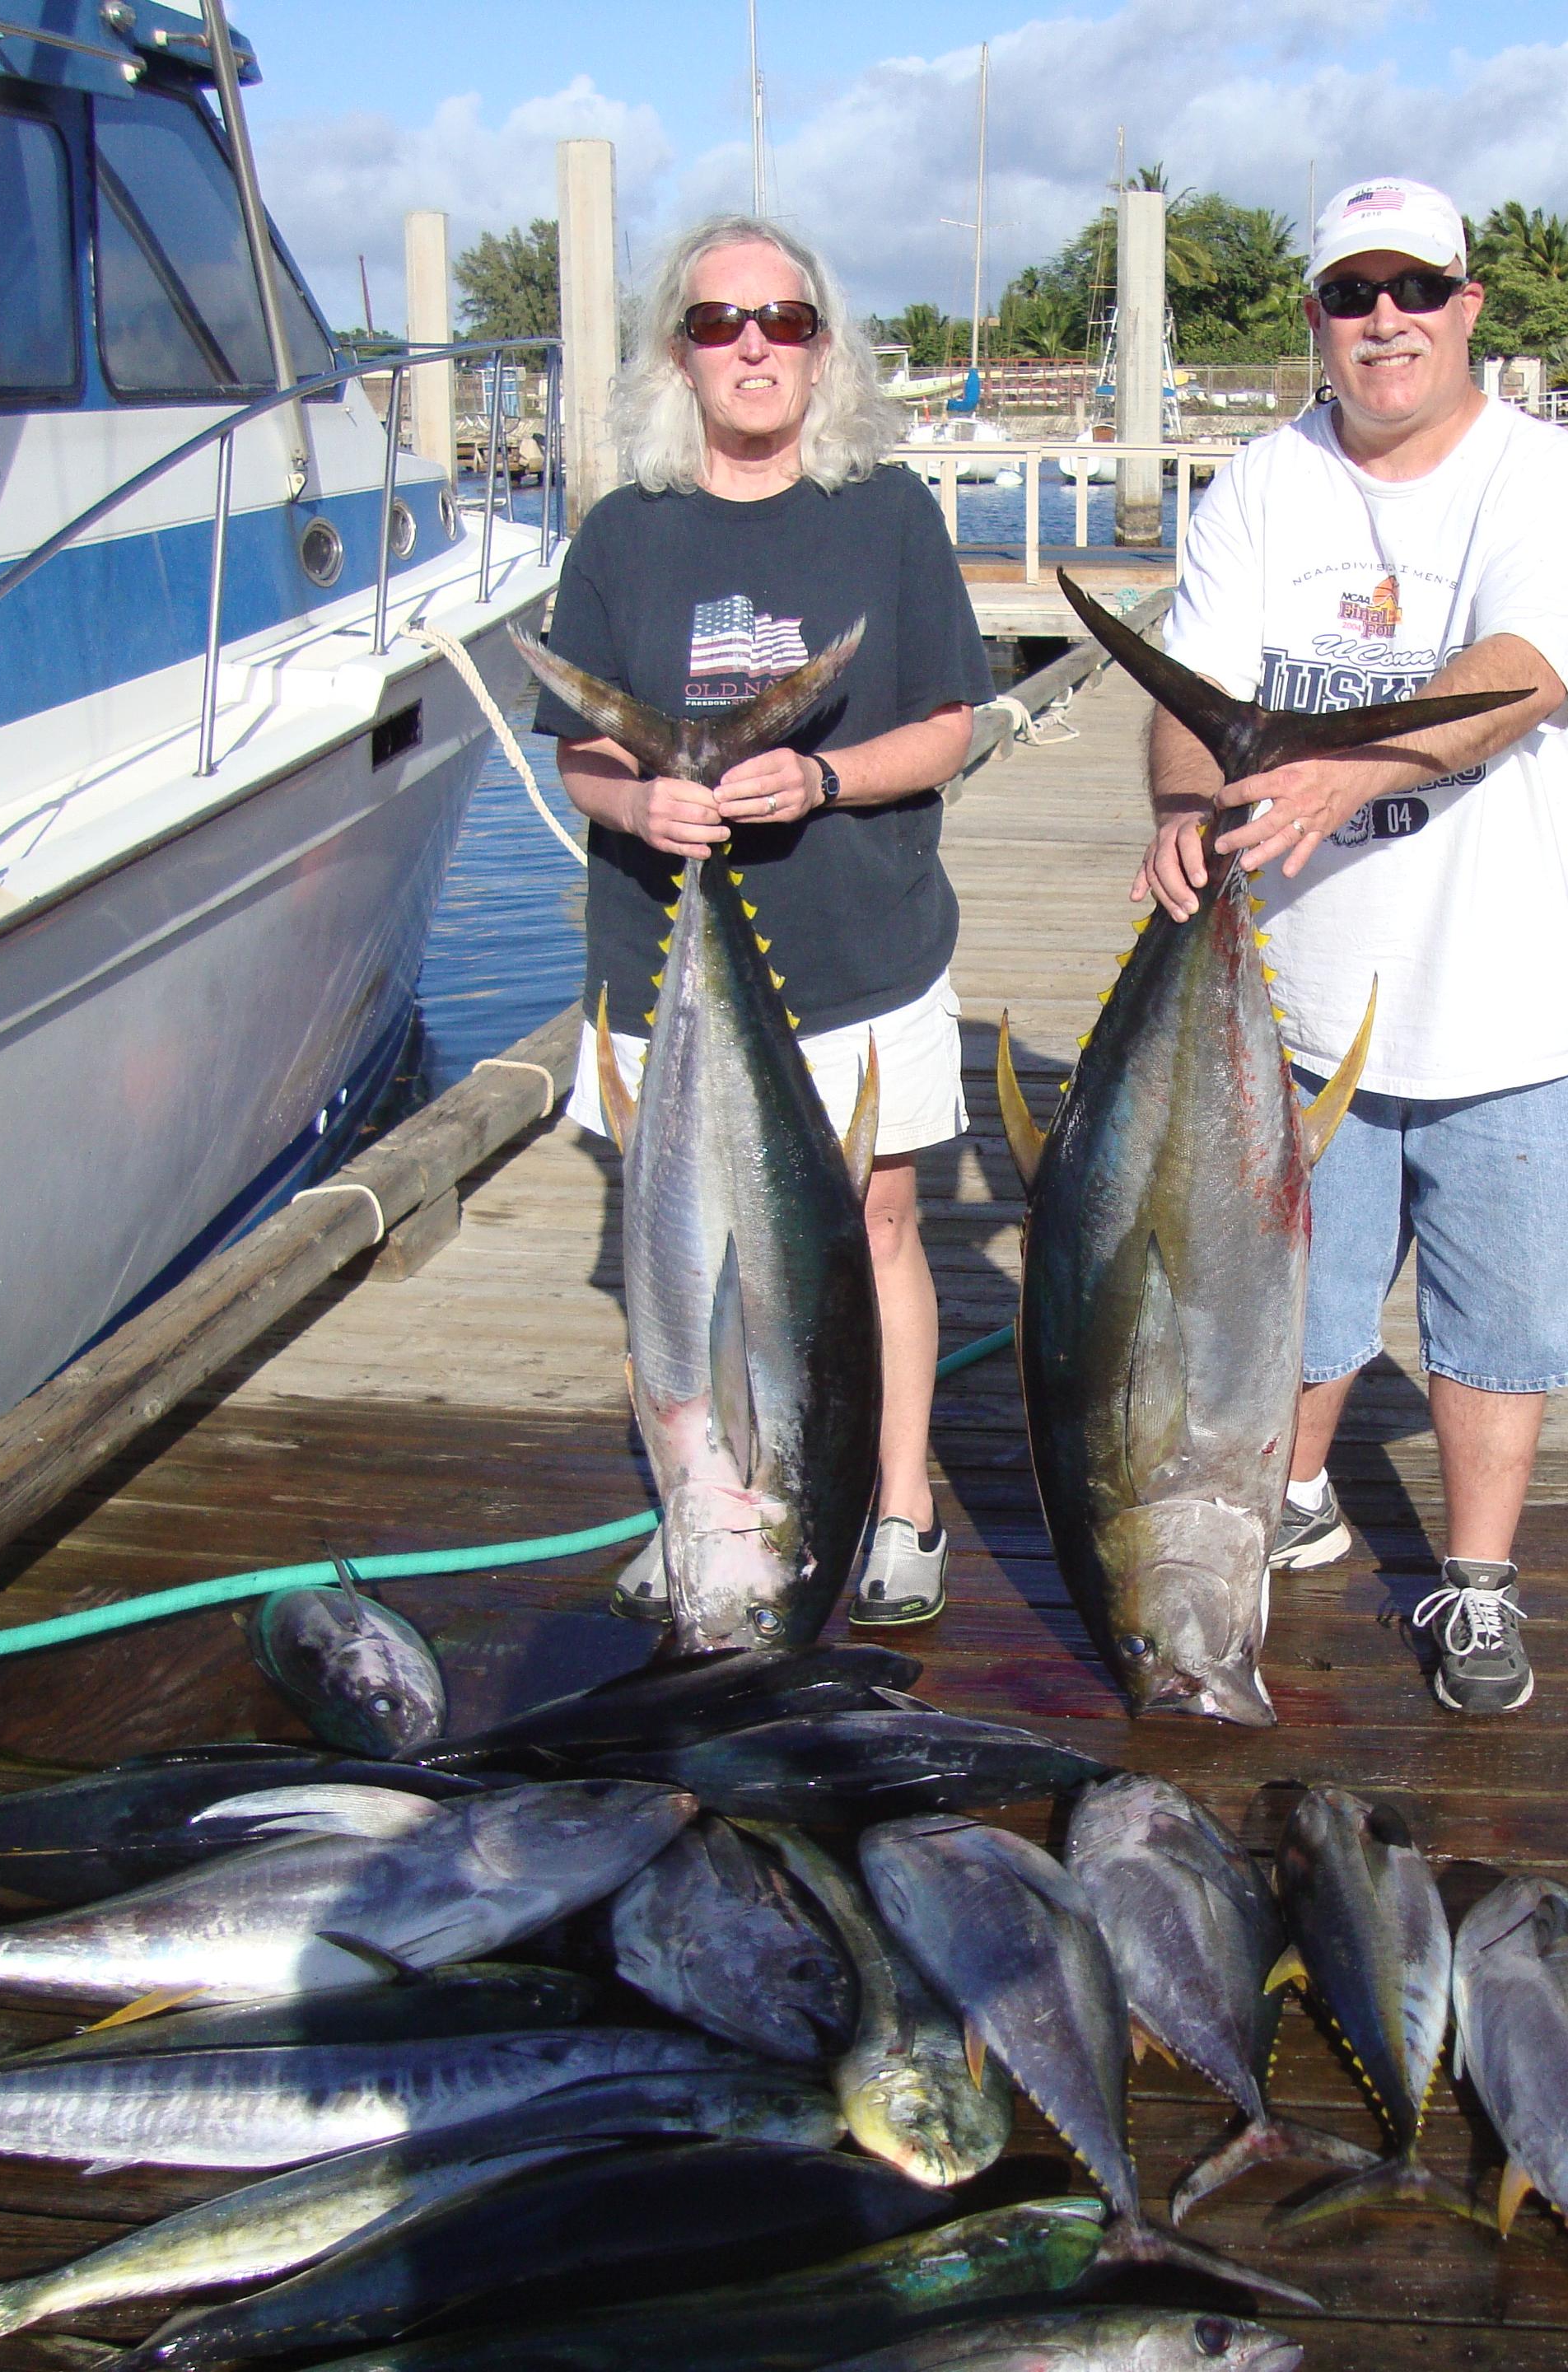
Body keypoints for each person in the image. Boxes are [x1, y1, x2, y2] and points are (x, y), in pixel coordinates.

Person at [1135, 175, 1568, 1716]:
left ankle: (1476, 1585)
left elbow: (1517, 679)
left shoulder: (1542, 483)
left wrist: (1348, 771)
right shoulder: (1259, 488)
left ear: (1467, 307)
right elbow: (1194, 688)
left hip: (1515, 998)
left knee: (1500, 1323)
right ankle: (1283, 1503)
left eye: (1414, 291)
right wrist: (1182, 801)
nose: (1385, 321)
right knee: (1289, 1296)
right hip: (1297, 1000)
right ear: (1316, 318)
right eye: (1352, 294)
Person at [535, 213, 993, 1627]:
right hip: (668, 963)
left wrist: (826, 771)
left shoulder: (888, 513)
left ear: (823, 346)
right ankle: (702, 1501)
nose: (754, 347)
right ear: (678, 350)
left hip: (863, 943)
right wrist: (641, 807)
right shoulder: (626, 531)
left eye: (784, 322)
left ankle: (897, 1503)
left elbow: (951, 725)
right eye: (721, 322)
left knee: (883, 1221)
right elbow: (582, 753)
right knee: (681, 1248)